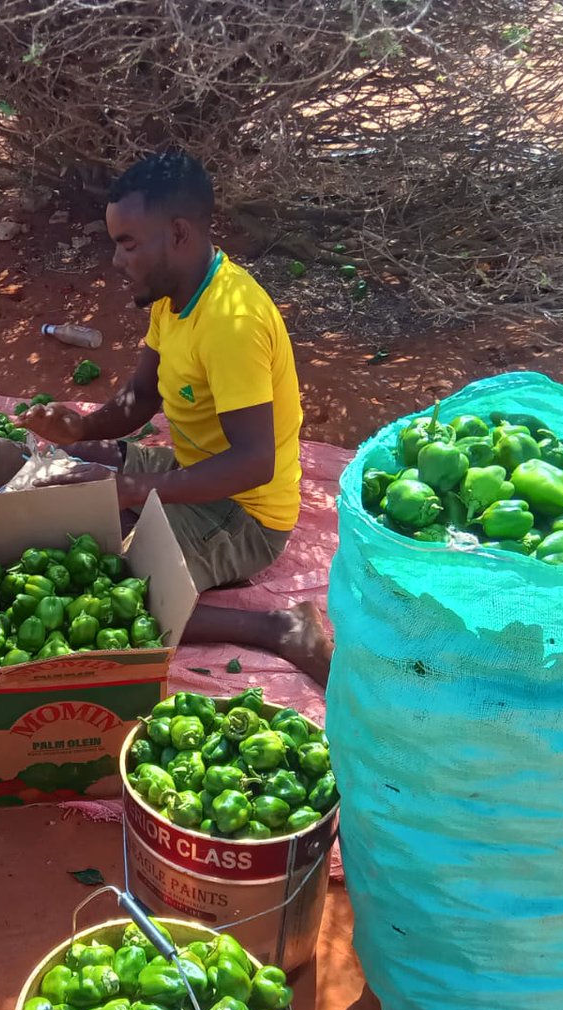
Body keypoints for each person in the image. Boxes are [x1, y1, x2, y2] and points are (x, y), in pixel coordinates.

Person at [17, 150, 331, 685]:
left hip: (245, 511)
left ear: (178, 233)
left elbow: (254, 463)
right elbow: (142, 396)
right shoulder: (174, 295)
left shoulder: (231, 323)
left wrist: (135, 489)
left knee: (113, 593)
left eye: (128, 244)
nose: (117, 260)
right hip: (196, 468)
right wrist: (81, 428)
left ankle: (278, 627)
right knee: (73, 461)